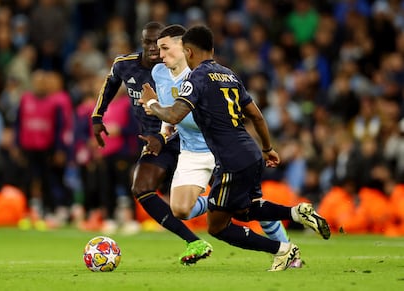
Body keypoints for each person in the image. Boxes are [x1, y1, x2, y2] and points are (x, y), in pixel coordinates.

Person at [140, 25, 331, 271]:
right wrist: (267, 148)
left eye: (165, 48)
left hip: (228, 157)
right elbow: (256, 115)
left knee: (218, 227)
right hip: (248, 150)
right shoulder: (228, 74)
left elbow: (176, 114)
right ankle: (296, 213)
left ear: (187, 51)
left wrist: (151, 103)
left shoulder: (195, 77)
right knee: (245, 208)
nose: (160, 54)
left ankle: (284, 250)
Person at [91, 22, 212, 265]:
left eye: (158, 43)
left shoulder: (175, 69)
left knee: (225, 202)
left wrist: (162, 135)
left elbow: (184, 109)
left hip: (187, 140)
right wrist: (97, 116)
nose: (153, 48)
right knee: (141, 187)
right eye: (147, 42)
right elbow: (112, 81)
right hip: (155, 142)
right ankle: (194, 241)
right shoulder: (125, 64)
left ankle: (228, 201)